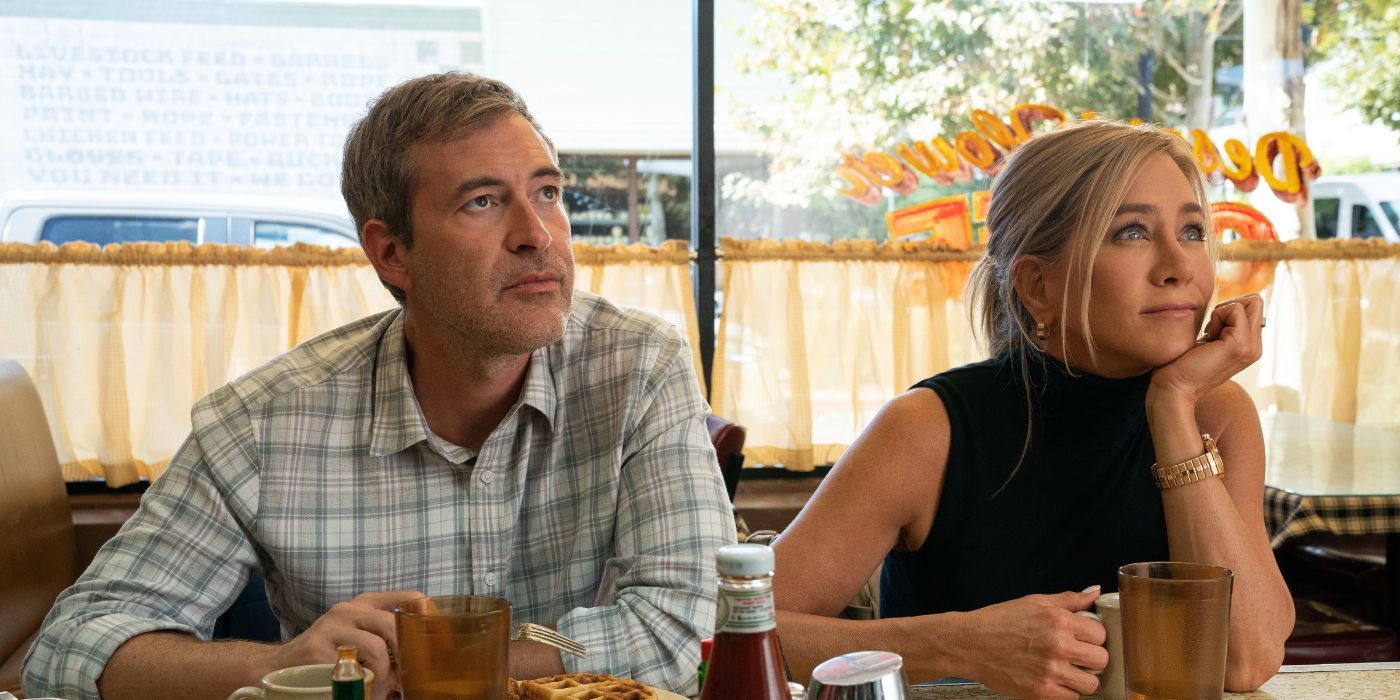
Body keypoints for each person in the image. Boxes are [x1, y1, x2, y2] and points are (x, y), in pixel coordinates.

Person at [22, 72, 733, 700]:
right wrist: (286, 667)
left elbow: (689, 623)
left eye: (546, 192)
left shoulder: (639, 365)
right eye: (483, 202)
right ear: (391, 253)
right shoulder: (264, 423)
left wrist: (451, 666)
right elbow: (69, 648)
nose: (538, 234)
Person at [771, 121, 1294, 699]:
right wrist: (958, 645)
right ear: (1037, 284)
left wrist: (1172, 407)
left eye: (1193, 230)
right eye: (1131, 233)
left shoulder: (1215, 414)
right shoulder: (928, 429)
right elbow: (734, 635)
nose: (1179, 265)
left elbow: (1245, 660)